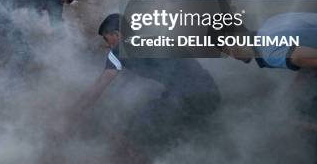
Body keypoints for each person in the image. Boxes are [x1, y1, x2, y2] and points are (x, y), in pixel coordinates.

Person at [60, 13, 220, 152]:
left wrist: (71, 115)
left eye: (107, 39)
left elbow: (98, 87)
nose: (109, 46)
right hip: (212, 94)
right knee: (177, 140)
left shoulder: (118, 50)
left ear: (117, 34)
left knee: (130, 135)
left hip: (184, 96)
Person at [219, 9, 317, 142]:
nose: (230, 56)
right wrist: (289, 103)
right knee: (309, 106)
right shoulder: (271, 24)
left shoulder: (269, 52)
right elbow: (310, 55)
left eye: (226, 50)